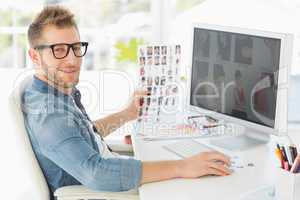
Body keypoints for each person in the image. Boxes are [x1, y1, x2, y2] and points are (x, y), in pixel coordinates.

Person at [23, 5, 232, 199]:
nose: (72, 60)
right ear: (34, 56)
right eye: (59, 50)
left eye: (76, 47)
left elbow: (83, 135)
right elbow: (97, 174)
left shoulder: (57, 92)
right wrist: (182, 167)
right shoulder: (48, 114)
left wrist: (127, 114)